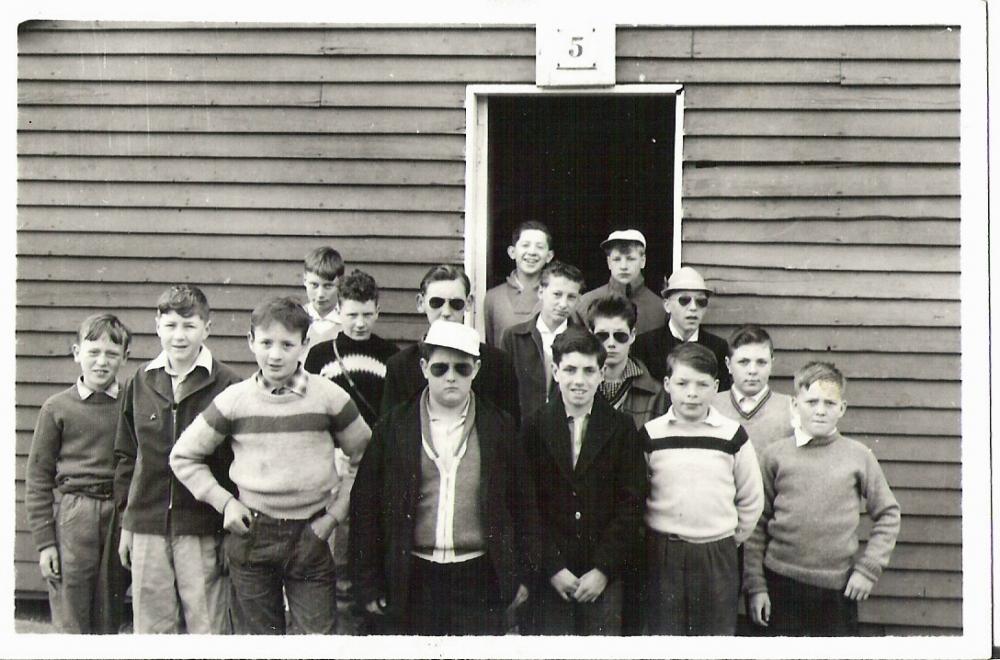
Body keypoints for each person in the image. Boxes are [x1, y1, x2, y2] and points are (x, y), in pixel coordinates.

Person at [170, 297, 372, 635]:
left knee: (317, 642)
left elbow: (364, 456)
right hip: (252, 532)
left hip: (312, 533)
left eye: (287, 344)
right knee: (260, 645)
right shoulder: (234, 400)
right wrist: (225, 503)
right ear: (251, 341)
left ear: (305, 345)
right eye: (265, 343)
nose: (275, 355)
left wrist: (334, 515)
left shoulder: (330, 397)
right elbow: (183, 456)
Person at [350, 320, 531, 635]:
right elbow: (366, 507)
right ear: (423, 367)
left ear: (476, 369)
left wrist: (522, 575)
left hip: (479, 576)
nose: (451, 377)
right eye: (440, 368)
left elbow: (524, 506)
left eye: (462, 369)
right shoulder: (394, 427)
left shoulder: (500, 427)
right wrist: (368, 582)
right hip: (413, 576)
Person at [113, 285, 242, 634]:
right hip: (147, 528)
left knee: (208, 629)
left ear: (207, 328)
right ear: (157, 326)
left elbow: (237, 466)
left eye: (189, 325)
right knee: (152, 632)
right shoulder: (139, 382)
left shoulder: (229, 384)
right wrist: (128, 522)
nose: (179, 335)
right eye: (170, 325)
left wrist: (228, 531)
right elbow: (127, 457)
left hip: (202, 530)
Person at [744, 361, 901, 636]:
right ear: (794, 405)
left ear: (841, 408)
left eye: (829, 403)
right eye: (811, 401)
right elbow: (756, 524)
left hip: (836, 592)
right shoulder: (774, 455)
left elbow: (888, 513)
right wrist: (756, 586)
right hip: (780, 585)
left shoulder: (858, 456)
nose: (819, 410)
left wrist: (868, 570)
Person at [519, 329, 645, 635]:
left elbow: (632, 503)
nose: (579, 380)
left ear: (601, 374)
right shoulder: (533, 426)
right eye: (570, 369)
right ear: (555, 371)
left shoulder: (621, 427)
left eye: (589, 371)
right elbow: (525, 505)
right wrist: (553, 568)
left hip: (602, 575)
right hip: (551, 575)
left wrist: (603, 569)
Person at [641, 343, 763, 635]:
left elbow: (751, 498)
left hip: (717, 553)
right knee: (665, 634)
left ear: (716, 387)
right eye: (683, 383)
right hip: (664, 552)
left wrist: (725, 538)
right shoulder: (651, 434)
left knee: (714, 635)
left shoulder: (732, 435)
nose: (692, 393)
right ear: (668, 385)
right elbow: (639, 494)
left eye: (702, 384)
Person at [303, 268, 398, 628]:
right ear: (339, 310)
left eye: (367, 314)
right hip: (334, 466)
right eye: (352, 314)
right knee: (337, 552)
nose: (359, 323)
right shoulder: (320, 356)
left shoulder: (390, 355)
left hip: (376, 466)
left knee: (371, 550)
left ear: (378, 311)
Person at [26, 313, 132, 634]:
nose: (102, 362)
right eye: (93, 352)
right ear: (76, 353)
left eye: (112, 354)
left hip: (118, 513)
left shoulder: (132, 404)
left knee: (110, 608)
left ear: (124, 358)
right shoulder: (57, 408)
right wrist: (45, 543)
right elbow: (38, 479)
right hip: (75, 514)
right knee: (71, 608)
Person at [381, 264, 519, 423]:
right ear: (421, 303)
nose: (446, 312)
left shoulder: (498, 364)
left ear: (468, 303)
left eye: (456, 304)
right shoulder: (400, 366)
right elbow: (390, 434)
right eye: (436, 303)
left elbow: (510, 432)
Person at [501, 260, 585, 424]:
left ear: (578, 300)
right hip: (522, 430)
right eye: (557, 294)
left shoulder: (584, 340)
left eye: (571, 297)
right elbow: (504, 392)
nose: (563, 304)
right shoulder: (513, 336)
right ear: (541, 291)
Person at [631, 266, 732, 391]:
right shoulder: (644, 345)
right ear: (667, 305)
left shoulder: (718, 348)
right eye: (684, 300)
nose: (693, 307)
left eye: (701, 301)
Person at [585, 294, 667, 428]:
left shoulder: (656, 394)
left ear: (632, 335)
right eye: (602, 335)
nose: (611, 343)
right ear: (591, 335)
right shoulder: (577, 385)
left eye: (620, 336)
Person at [712, 324, 794, 455]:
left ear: (772, 363)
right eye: (743, 362)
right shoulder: (711, 406)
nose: (752, 371)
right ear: (728, 364)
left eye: (761, 362)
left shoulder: (791, 408)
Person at [576, 230, 664, 336]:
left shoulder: (660, 309)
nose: (623, 266)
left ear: (643, 261)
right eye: (617, 259)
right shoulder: (585, 303)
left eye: (630, 259)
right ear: (609, 262)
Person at [484, 220, 554, 347]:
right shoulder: (493, 298)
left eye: (539, 247)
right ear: (512, 252)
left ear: (549, 256)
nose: (532, 252)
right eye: (525, 245)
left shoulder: (557, 297)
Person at [301, 245, 345, 355]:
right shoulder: (295, 319)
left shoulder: (347, 321)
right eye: (314, 285)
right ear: (305, 280)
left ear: (340, 283)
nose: (320, 294)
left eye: (328, 286)